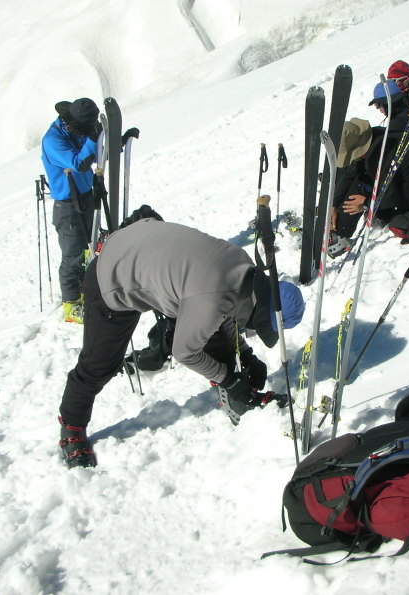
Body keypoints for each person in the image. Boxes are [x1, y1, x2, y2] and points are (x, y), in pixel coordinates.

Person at [57, 218, 306, 468]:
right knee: (99, 365)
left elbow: (226, 313)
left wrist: (248, 355)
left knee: (212, 332)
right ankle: (72, 426)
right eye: (260, 324)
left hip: (142, 250)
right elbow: (185, 351)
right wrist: (228, 380)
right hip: (112, 276)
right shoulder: (210, 298)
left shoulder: (243, 267)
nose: (255, 327)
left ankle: (242, 399)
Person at [329, 79, 409, 253]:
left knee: (362, 187)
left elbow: (390, 195)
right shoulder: (376, 137)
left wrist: (366, 203)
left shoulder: (381, 154)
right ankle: (337, 229)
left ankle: (340, 235)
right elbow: (350, 174)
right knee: (358, 179)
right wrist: (333, 204)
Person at [41, 98, 100, 324]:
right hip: (67, 206)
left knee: (88, 251)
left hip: (85, 197)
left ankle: (87, 292)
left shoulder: (73, 130)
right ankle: (71, 306)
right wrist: (93, 138)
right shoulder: (53, 141)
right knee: (73, 256)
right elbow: (80, 162)